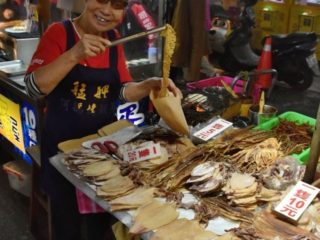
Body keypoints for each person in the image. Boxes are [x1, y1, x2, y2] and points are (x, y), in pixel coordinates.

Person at [24, 0, 181, 239]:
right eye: (101, 0)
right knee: (67, 225)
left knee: (101, 221)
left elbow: (120, 91)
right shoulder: (60, 33)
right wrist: (75, 53)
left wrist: (149, 84)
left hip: (101, 151)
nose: (107, 10)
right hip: (62, 153)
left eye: (117, 4)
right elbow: (34, 89)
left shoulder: (113, 39)